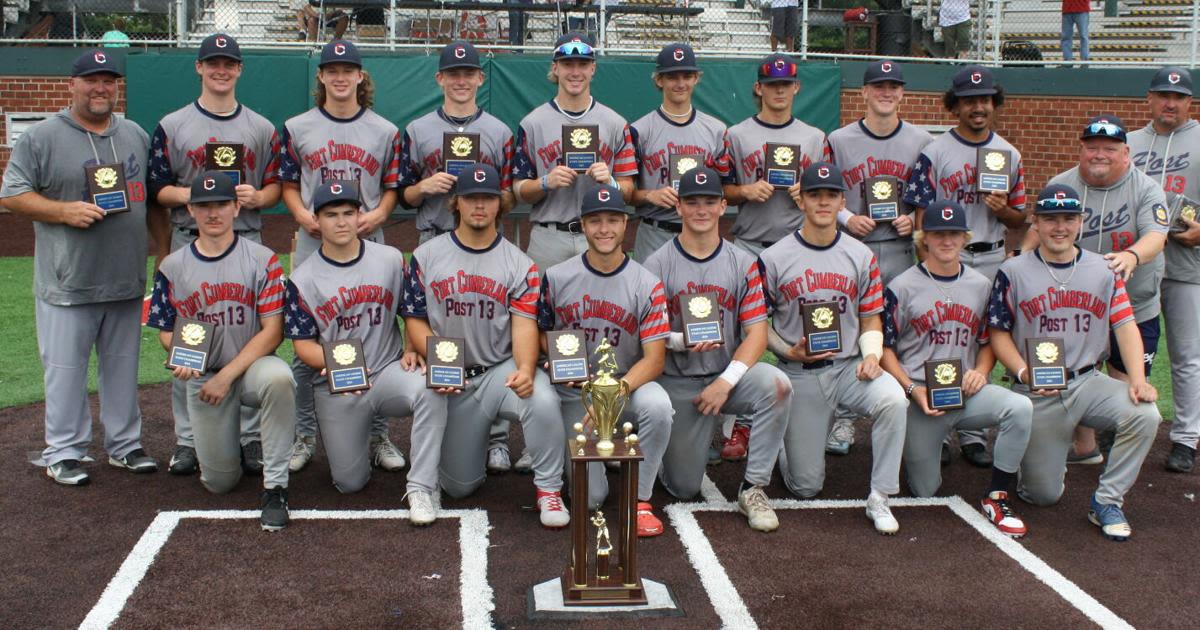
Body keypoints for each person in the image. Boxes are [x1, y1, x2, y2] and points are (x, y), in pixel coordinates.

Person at [0, 50, 156, 485]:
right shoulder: (42, 137)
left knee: (123, 369)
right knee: (66, 372)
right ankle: (65, 450)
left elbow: (152, 201)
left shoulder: (135, 135)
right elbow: (10, 196)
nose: (100, 88)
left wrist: (162, 252)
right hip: (67, 282)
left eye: (108, 80)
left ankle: (125, 446)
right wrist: (62, 211)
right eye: (91, 80)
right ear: (72, 85)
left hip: (124, 279)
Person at [987, 184, 1160, 542]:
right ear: (1036, 222)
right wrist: (1023, 372)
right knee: (1042, 496)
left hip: (1087, 381)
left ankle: (1107, 501)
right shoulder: (1013, 270)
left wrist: (1138, 380)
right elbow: (998, 333)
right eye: (1051, 219)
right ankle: (1038, 457)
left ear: (1081, 222)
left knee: (1145, 413)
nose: (1060, 227)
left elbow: (1125, 326)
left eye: (1069, 218)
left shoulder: (1104, 268)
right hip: (1037, 388)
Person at [400, 164, 569, 528]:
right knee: (459, 487)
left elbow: (524, 325)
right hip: (451, 378)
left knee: (541, 397)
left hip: (496, 371)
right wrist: (437, 356)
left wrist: (524, 369)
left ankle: (549, 489)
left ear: (500, 205)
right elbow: (414, 317)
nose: (480, 206)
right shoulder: (427, 256)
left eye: (488, 198)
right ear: (456, 203)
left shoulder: (520, 264)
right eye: (472, 198)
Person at [148, 33, 282, 477]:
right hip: (191, 237)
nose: (220, 70)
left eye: (229, 63)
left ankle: (247, 436)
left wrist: (257, 197)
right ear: (199, 68)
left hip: (248, 239)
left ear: (240, 69)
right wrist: (206, 195)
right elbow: (157, 189)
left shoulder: (261, 128)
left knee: (243, 336)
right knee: (192, 340)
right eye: (212, 63)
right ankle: (188, 439)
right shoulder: (173, 124)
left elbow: (275, 187)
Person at [760, 162, 908, 535]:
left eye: (830, 195)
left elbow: (871, 316)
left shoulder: (861, 255)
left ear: (842, 200)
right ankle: (787, 445)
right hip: (800, 372)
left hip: (848, 368)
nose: (823, 202)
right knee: (805, 487)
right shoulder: (773, 257)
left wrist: (872, 355)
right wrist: (786, 350)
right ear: (802, 201)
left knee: (893, 399)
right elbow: (757, 324)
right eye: (815, 195)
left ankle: (880, 495)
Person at [278, 39, 405, 475]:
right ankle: (305, 433)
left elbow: (392, 187)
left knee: (377, 329)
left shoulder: (385, 130)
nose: (339, 76)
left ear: (360, 76)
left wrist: (379, 215)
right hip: (315, 239)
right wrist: (301, 217)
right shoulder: (297, 126)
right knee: (307, 342)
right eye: (332, 69)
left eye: (347, 69)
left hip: (369, 236)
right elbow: (289, 183)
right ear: (321, 76)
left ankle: (378, 434)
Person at [643, 167, 792, 532]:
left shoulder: (742, 263)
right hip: (677, 380)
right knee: (683, 489)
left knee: (778, 385)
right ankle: (668, 455)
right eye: (692, 202)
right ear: (678, 207)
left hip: (727, 376)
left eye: (710, 201)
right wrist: (681, 340)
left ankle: (753, 487)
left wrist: (726, 382)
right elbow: (648, 337)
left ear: (724, 206)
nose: (701, 210)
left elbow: (757, 333)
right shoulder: (656, 263)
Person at [147, 172, 296, 530]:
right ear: (189, 210)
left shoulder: (262, 259)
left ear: (236, 207)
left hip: (248, 371)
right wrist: (183, 357)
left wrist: (228, 377)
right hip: (205, 376)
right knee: (220, 483)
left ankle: (275, 487)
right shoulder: (172, 265)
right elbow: (166, 331)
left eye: (221, 205)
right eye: (204, 206)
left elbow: (273, 331)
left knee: (279, 377)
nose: (213, 213)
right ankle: (222, 452)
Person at [398, 40, 519, 474]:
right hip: (434, 236)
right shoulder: (416, 130)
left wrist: (479, 195)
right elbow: (402, 193)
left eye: (468, 73)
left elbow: (510, 192)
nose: (462, 80)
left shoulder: (501, 132)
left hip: (485, 242)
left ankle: (497, 437)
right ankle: (446, 421)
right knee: (442, 329)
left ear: (480, 79)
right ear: (440, 79)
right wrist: (424, 188)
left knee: (490, 331)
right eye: (453, 73)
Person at [881, 200, 1033, 537]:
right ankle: (925, 448)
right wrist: (910, 390)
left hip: (965, 392)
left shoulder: (981, 285)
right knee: (924, 491)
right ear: (924, 238)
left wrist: (981, 369)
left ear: (965, 238)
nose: (946, 241)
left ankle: (998, 493)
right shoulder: (901, 286)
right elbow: (885, 350)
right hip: (921, 396)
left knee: (1019, 407)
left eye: (953, 234)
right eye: (938, 234)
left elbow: (987, 340)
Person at [283, 180, 444, 494]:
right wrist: (333, 362)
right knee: (349, 483)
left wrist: (412, 346)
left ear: (360, 216)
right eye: (331, 215)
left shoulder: (391, 259)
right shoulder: (302, 279)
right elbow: (302, 345)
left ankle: (422, 486)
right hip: (339, 384)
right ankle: (360, 445)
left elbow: (412, 311)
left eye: (348, 212)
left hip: (387, 373)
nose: (341, 222)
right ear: (316, 220)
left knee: (431, 388)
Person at [903, 65, 1025, 469]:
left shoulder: (1009, 153)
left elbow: (1019, 219)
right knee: (941, 331)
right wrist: (926, 261)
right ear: (955, 105)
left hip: (988, 254)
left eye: (985, 100)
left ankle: (971, 429)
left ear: (994, 104)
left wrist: (1001, 208)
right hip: (940, 255)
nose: (978, 107)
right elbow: (921, 213)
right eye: (970, 100)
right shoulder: (935, 151)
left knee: (977, 337)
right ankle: (936, 422)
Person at [537, 184, 674, 537]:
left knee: (659, 406)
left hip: (628, 386)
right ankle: (605, 454)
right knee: (591, 499)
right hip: (577, 393)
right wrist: (552, 354)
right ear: (582, 225)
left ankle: (641, 499)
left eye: (613, 219)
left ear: (625, 225)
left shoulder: (647, 283)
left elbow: (655, 359)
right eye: (595, 220)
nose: (604, 229)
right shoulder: (556, 277)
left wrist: (611, 395)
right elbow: (540, 332)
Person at [1032, 115, 1168, 465]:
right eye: (1092, 147)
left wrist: (1132, 255)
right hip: (1076, 305)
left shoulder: (1146, 187)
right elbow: (1038, 230)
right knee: (1076, 371)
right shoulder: (1062, 183)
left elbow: (1157, 235)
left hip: (1135, 303)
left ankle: (1119, 457)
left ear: (1126, 153)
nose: (1099, 155)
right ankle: (1084, 449)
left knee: (1126, 384)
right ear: (1081, 150)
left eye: (1109, 148)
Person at [824, 59, 932, 456]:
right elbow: (822, 191)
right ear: (864, 93)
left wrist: (912, 220)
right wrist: (847, 217)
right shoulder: (838, 139)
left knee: (904, 331)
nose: (886, 92)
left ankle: (909, 415)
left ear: (902, 93)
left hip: (902, 249)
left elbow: (927, 199)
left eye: (893, 86)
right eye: (878, 86)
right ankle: (845, 418)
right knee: (852, 329)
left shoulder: (922, 141)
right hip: (855, 249)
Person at [512, 32, 637, 273]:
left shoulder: (615, 123)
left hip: (600, 235)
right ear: (555, 68)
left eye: (583, 64)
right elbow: (519, 190)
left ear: (593, 69)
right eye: (568, 64)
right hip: (549, 236)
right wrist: (545, 182)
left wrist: (611, 181)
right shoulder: (532, 123)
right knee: (543, 308)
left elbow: (629, 191)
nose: (575, 72)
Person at [1128, 67, 1200, 473]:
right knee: (1126, 352)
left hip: (1187, 265)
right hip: (1139, 267)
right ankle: (1118, 423)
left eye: (1179, 97)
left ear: (1190, 102)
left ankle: (1186, 438)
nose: (1170, 103)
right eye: (1162, 95)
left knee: (1187, 355)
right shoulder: (1131, 143)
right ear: (1149, 99)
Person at [629, 43, 729, 263]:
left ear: (696, 79)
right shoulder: (639, 130)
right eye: (673, 77)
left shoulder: (716, 130)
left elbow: (725, 189)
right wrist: (649, 195)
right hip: (655, 231)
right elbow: (626, 193)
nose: (681, 83)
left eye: (687, 76)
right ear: (659, 80)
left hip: (701, 233)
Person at [723, 53, 829, 257]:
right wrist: (745, 191)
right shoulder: (735, 135)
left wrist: (810, 194)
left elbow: (828, 197)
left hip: (799, 246)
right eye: (772, 84)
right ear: (759, 88)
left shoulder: (815, 137)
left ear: (796, 87)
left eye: (786, 84)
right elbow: (722, 192)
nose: (780, 90)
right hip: (749, 245)